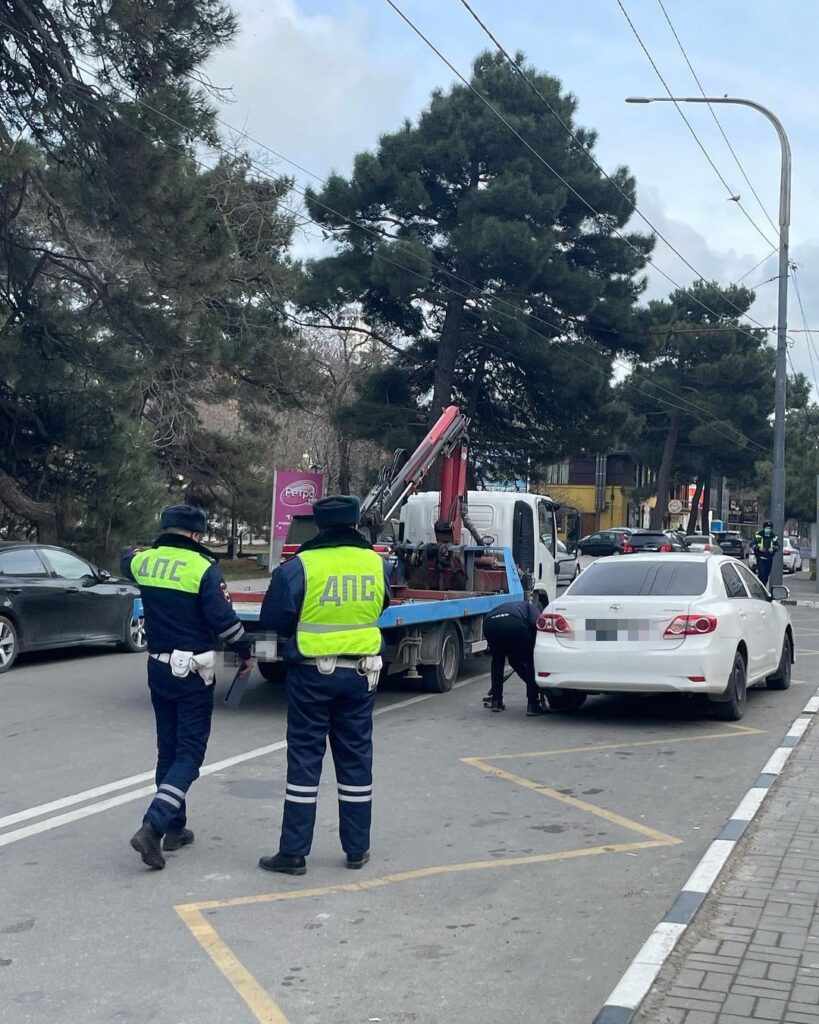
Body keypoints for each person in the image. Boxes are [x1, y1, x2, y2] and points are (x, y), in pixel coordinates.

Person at [257, 494, 391, 876]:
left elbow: (272, 621)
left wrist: (264, 662)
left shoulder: (299, 567)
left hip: (312, 676)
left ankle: (294, 852)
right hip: (362, 675)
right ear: (355, 524)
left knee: (304, 759)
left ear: (319, 525)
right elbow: (382, 605)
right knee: (356, 760)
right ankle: (357, 848)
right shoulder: (376, 564)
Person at [122, 504, 255, 870]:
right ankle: (154, 825)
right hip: (193, 672)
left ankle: (175, 828)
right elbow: (225, 622)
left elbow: (124, 558)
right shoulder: (204, 569)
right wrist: (247, 651)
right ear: (196, 535)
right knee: (190, 754)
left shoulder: (144, 562)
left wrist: (136, 551)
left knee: (168, 749)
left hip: (158, 668)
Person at [482, 600, 547, 716]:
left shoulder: (517, 606)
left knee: (498, 660)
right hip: (513, 621)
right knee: (531, 659)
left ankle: (496, 701)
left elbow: (514, 660)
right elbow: (535, 626)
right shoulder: (533, 609)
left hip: (489, 623)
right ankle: (533, 704)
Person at [753, 520, 780, 586]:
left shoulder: (773, 536)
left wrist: (773, 549)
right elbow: (752, 545)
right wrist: (759, 548)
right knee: (761, 573)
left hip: (769, 558)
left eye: (769, 528)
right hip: (760, 558)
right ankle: (760, 587)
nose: (768, 529)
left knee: (766, 575)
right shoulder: (758, 535)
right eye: (767, 528)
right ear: (764, 528)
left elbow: (778, 546)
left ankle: (764, 587)